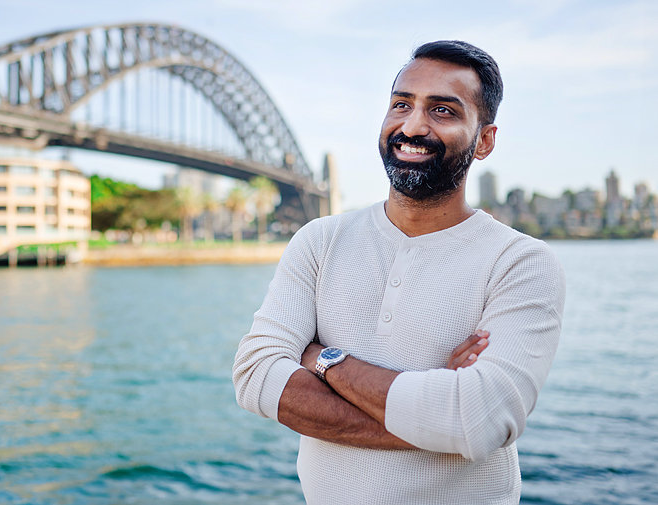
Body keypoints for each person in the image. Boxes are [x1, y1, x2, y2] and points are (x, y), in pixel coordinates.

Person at [232, 40, 565, 505]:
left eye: (443, 111)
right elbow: (254, 377)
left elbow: (482, 417)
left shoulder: (520, 262)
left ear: (484, 140)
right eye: (401, 104)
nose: (412, 126)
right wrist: (437, 421)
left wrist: (323, 360)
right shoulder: (319, 240)